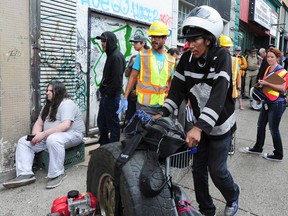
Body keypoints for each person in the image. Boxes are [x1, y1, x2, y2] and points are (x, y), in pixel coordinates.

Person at [155, 6, 240, 216]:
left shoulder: (222, 57)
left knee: (217, 171)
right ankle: (206, 209)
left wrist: (199, 128)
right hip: (199, 127)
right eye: (188, 40)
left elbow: (219, 95)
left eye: (195, 40)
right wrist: (163, 113)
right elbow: (177, 91)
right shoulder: (185, 59)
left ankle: (233, 196)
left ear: (209, 39)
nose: (189, 44)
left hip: (219, 127)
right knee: (198, 170)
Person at [3, 81, 85, 189]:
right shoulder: (48, 106)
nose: (47, 93)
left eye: (51, 91)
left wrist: (43, 134)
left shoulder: (66, 104)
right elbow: (39, 123)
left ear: (59, 92)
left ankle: (58, 174)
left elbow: (66, 125)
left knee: (53, 139)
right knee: (24, 141)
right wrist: (35, 135)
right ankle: (25, 174)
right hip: (50, 137)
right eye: (47, 90)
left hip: (72, 135)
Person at [117, 21, 175, 116]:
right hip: (145, 106)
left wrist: (170, 104)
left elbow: (171, 84)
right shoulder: (143, 55)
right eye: (152, 37)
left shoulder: (171, 60)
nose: (153, 40)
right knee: (144, 131)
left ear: (164, 38)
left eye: (157, 37)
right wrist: (125, 97)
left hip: (163, 107)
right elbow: (132, 77)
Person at [242, 47, 287, 161]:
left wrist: (266, 82)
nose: (270, 59)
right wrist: (260, 94)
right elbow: (266, 85)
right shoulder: (268, 69)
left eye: (272, 57)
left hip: (277, 103)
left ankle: (278, 154)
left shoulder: (282, 71)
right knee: (260, 125)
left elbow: (282, 88)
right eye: (268, 57)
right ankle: (258, 148)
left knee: (274, 129)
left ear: (277, 58)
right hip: (267, 101)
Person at [95, 31, 125, 145]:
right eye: (101, 41)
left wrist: (108, 94)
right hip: (107, 96)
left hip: (111, 97)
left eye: (104, 41)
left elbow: (117, 81)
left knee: (112, 124)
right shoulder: (111, 55)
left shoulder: (115, 57)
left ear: (110, 42)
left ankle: (113, 148)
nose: (102, 43)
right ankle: (104, 145)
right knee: (102, 122)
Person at [124, 34, 149, 123]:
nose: (134, 45)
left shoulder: (148, 57)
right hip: (132, 91)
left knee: (141, 117)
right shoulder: (133, 58)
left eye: (136, 42)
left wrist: (138, 89)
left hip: (142, 92)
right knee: (130, 115)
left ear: (143, 43)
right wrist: (131, 65)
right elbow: (127, 74)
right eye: (133, 43)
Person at [219, 35, 243, 111]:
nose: (227, 49)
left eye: (228, 47)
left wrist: (239, 89)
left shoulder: (234, 60)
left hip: (231, 92)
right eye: (225, 47)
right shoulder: (215, 60)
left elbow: (238, 76)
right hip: (219, 92)